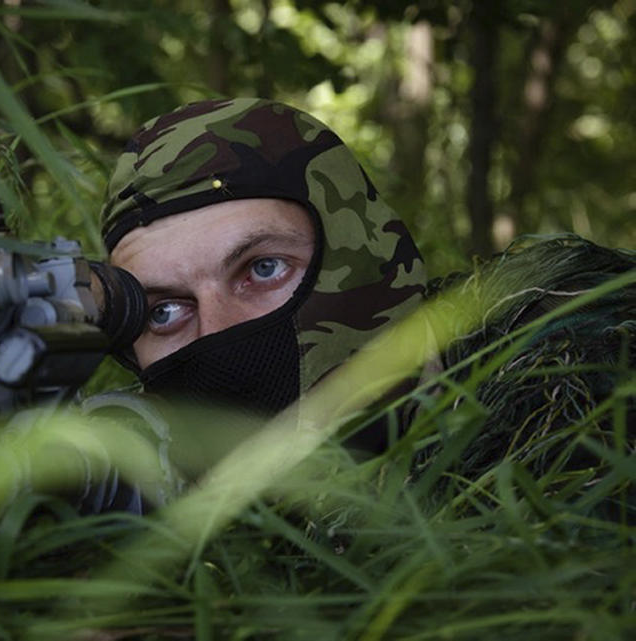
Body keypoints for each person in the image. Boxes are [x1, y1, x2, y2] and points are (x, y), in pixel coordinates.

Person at [94, 97, 635, 483]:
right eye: (163, 310)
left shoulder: (573, 363)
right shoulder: (117, 486)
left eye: (263, 270)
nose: (219, 333)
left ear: (364, 252)